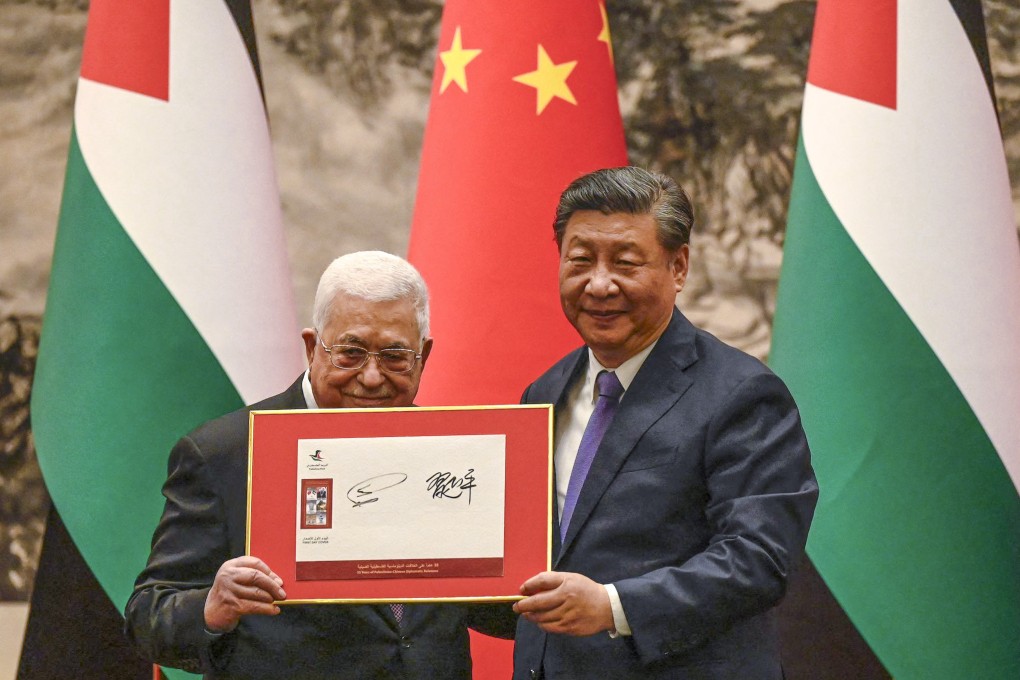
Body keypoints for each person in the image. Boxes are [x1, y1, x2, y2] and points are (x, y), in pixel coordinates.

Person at [125, 251, 515, 679]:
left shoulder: (453, 455)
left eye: (394, 356)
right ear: (312, 348)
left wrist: (532, 582)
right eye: (350, 353)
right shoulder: (226, 452)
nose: (371, 376)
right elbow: (148, 617)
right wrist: (212, 607)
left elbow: (483, 605)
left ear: (423, 355)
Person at [512, 167, 818, 679]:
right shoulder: (543, 393)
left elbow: (760, 558)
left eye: (625, 263)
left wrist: (614, 606)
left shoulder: (743, 394)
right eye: (580, 260)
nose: (599, 284)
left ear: (679, 267)